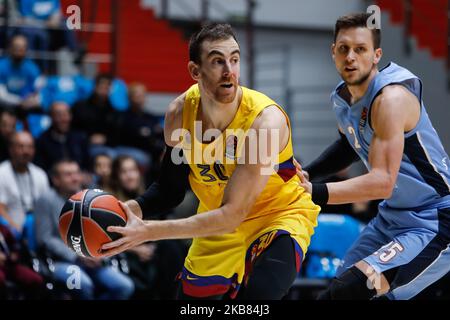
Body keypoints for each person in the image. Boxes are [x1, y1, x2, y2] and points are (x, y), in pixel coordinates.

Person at [100, 23, 320, 300]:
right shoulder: (179, 114)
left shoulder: (265, 122)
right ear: (195, 71)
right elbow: (169, 190)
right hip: (216, 219)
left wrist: (148, 231)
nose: (230, 70)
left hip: (276, 215)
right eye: (218, 61)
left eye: (235, 59)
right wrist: (120, 212)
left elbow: (234, 215)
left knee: (257, 300)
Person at [296, 13, 450, 300]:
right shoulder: (344, 97)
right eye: (343, 49)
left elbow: (382, 183)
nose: (350, 57)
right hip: (392, 216)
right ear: (333, 53)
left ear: (376, 54)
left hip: (435, 219)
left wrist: (311, 192)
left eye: (360, 49)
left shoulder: (391, 99)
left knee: (355, 290)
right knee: (338, 289)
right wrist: (307, 173)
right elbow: (348, 146)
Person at [34, 159, 135, 300]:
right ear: (56, 179)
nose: (75, 178)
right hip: (61, 261)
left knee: (124, 286)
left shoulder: (89, 198)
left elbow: (104, 231)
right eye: (68, 174)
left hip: (92, 258)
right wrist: (77, 254)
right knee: (83, 284)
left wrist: (99, 254)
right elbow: (45, 238)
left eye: (76, 173)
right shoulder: (46, 200)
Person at [110, 155, 185, 299]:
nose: (130, 176)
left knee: (172, 248)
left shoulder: (149, 194)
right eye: (124, 172)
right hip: (127, 252)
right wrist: (137, 250)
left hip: (152, 248)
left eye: (133, 170)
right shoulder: (111, 202)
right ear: (116, 176)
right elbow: (109, 237)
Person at [0, 131, 49, 234]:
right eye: (21, 146)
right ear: (11, 149)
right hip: (10, 233)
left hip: (37, 232)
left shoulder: (40, 174)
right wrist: (15, 230)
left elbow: (45, 207)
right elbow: (1, 208)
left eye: (30, 147)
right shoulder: (2, 173)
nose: (26, 151)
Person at [35, 101, 90, 173]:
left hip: (80, 179)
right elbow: (41, 171)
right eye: (59, 115)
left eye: (66, 114)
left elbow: (88, 166)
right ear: (51, 117)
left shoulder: (80, 138)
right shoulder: (42, 141)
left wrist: (85, 174)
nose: (63, 119)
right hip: (55, 182)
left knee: (94, 183)